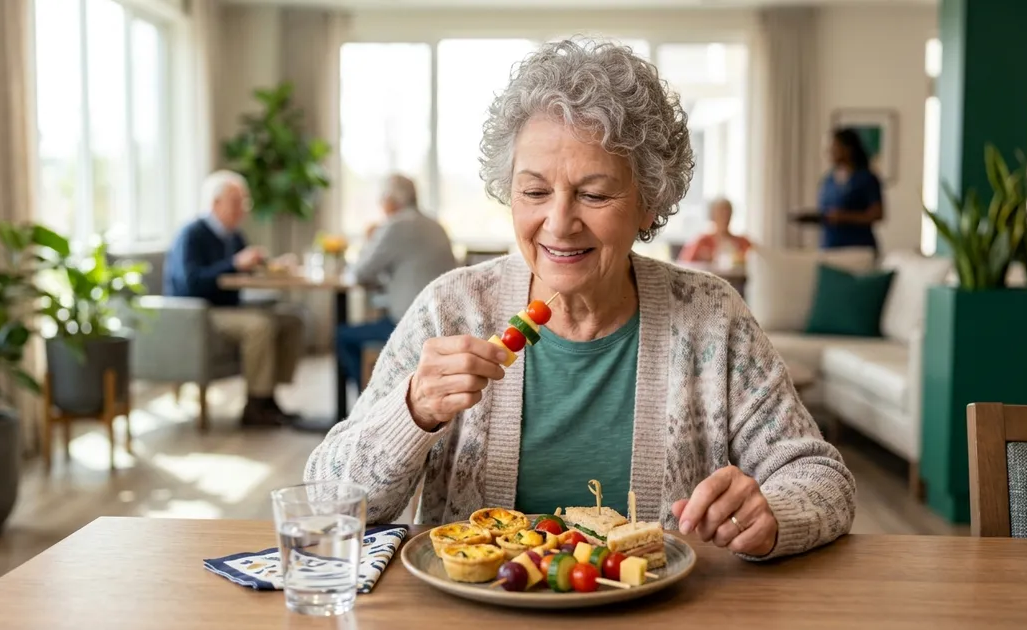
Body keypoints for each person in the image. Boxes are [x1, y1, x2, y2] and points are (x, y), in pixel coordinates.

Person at [305, 39, 855, 561]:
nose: (560, 224)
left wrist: (773, 514)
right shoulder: (451, 308)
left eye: (594, 194)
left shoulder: (712, 316)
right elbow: (326, 498)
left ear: (649, 204)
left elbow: (821, 477)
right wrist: (413, 412)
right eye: (535, 191)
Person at [164, 170, 305, 427]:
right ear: (215, 203)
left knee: (291, 319)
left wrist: (273, 265)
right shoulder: (191, 234)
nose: (243, 209)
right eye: (236, 202)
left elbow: (245, 269)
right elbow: (191, 282)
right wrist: (233, 263)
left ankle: (269, 398)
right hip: (201, 312)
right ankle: (254, 405)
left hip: (230, 306)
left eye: (244, 202)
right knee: (259, 326)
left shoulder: (234, 236)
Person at [337, 174, 458, 398]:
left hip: (407, 325)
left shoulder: (395, 226)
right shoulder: (436, 225)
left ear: (390, 201)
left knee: (344, 335)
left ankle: (368, 405)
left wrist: (368, 239)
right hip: (445, 324)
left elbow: (361, 273)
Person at [817, 128, 885, 252]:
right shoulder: (828, 180)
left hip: (858, 247)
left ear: (848, 149)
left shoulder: (866, 178)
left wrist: (844, 217)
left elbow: (877, 214)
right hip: (830, 246)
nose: (829, 152)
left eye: (834, 148)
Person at [677, 197, 753, 265]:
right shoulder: (701, 241)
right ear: (713, 215)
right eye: (720, 213)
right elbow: (685, 263)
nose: (725, 217)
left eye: (727, 213)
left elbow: (756, 259)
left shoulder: (742, 242)